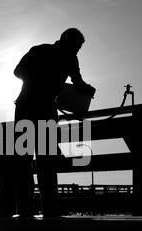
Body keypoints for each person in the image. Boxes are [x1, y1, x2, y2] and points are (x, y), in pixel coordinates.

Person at [10, 28, 96, 218]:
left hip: (30, 107)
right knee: (42, 160)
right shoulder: (50, 53)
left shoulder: (45, 52)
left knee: (33, 160)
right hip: (39, 108)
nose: (77, 51)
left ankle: (29, 209)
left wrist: (88, 89)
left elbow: (18, 71)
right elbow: (18, 71)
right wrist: (43, 84)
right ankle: (46, 209)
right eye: (76, 47)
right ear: (67, 41)